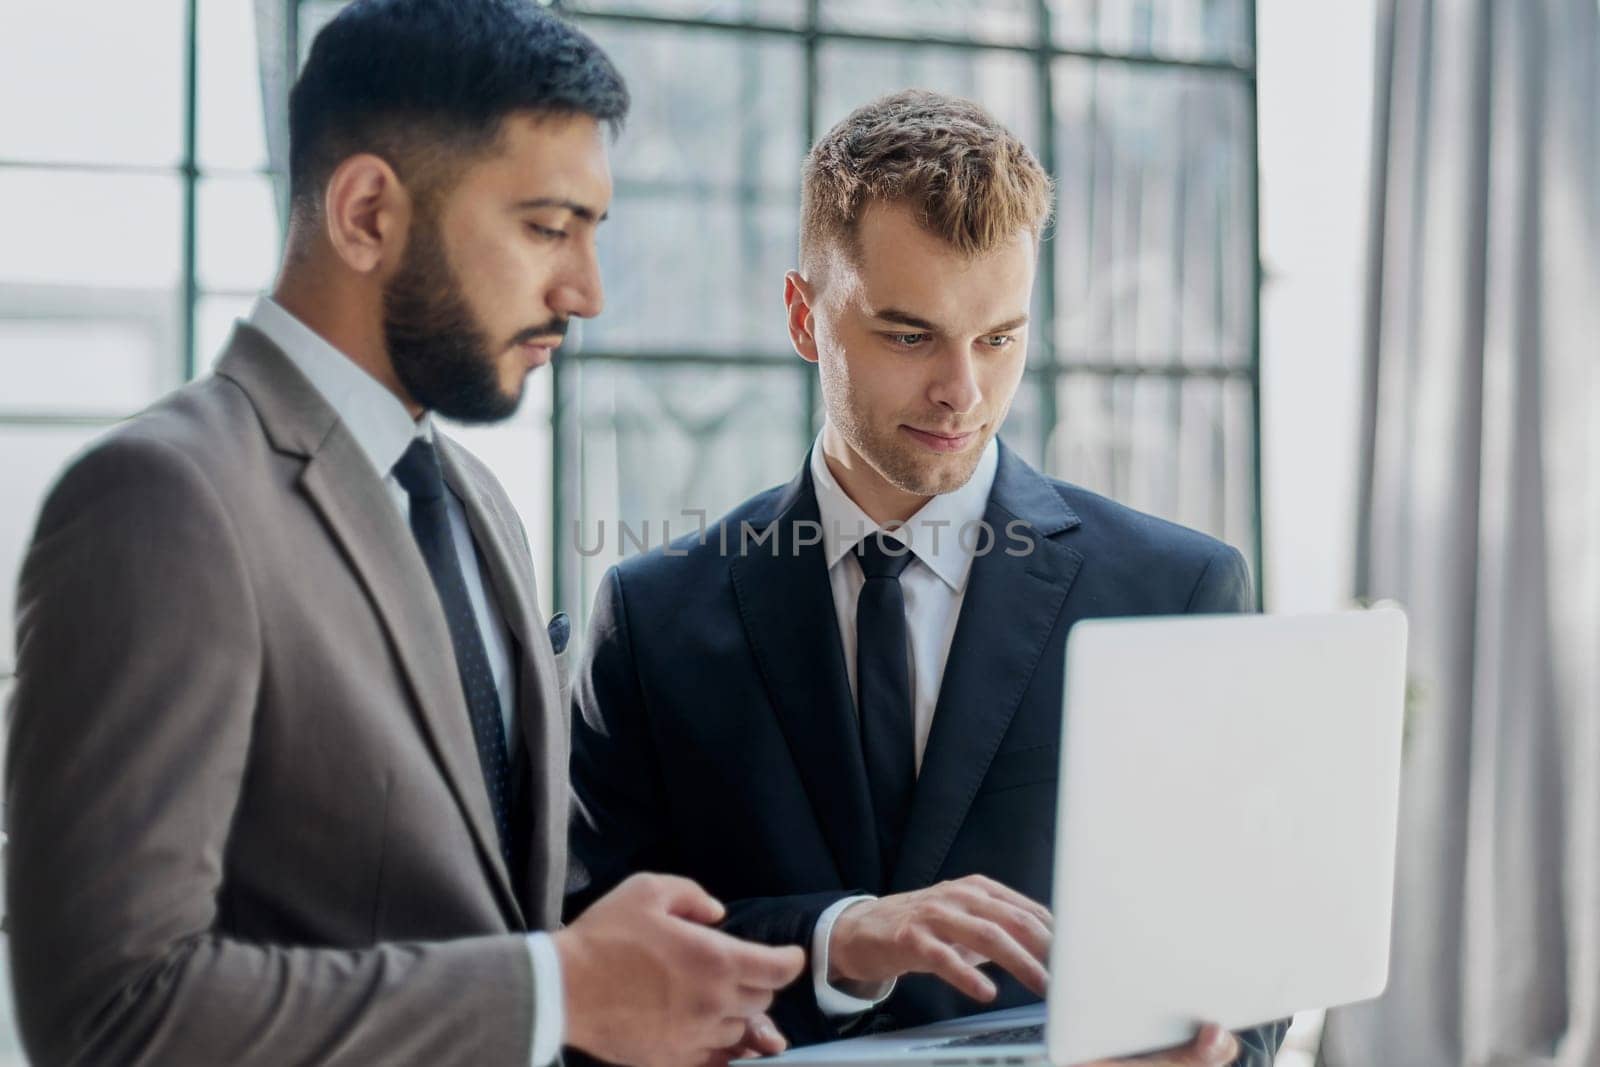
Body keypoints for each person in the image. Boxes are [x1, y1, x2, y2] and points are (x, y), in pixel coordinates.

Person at [4, 2, 803, 1064]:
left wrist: (636, 996)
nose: (586, 292)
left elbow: (481, 922)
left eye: (591, 233)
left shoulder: (474, 502)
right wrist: (556, 988)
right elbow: (110, 1009)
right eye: (545, 226)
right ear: (369, 212)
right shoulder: (159, 501)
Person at [566, 90, 1287, 1067]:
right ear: (802, 316)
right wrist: (834, 940)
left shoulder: (1177, 587)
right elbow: (591, 971)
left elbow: (1247, 951)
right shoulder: (651, 621)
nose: (963, 391)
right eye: (910, 335)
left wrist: (1209, 1054)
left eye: (999, 338)